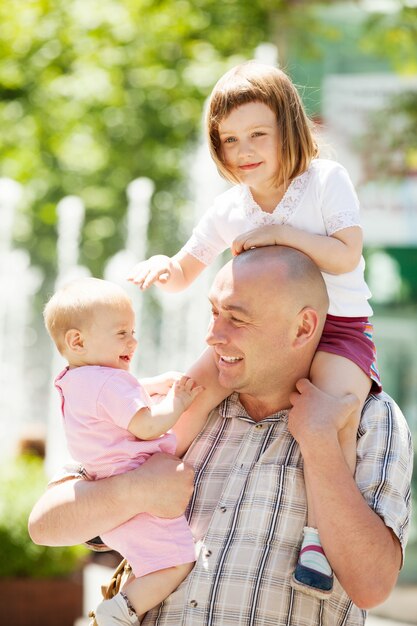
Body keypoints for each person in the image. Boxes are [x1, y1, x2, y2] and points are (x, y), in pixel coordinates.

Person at [30, 247, 412, 626]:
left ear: (303, 328)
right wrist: (137, 489)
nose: (213, 335)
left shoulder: (370, 419)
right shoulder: (175, 405)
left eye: (237, 319)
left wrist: (320, 440)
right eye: (214, 312)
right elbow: (44, 526)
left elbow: (372, 587)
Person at [126, 60, 381, 597]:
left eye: (258, 135)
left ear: (289, 127)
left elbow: (345, 253)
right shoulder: (229, 208)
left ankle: (317, 537)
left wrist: (283, 233)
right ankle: (143, 486)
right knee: (193, 390)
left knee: (331, 416)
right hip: (260, 341)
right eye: (229, 139)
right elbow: (187, 268)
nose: (243, 151)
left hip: (336, 330)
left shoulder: (323, 182)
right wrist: (163, 268)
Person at [43, 277, 207, 626]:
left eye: (133, 331)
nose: (134, 341)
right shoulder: (108, 382)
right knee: (177, 561)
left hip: (109, 485)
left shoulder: (75, 380)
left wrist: (151, 384)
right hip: (137, 482)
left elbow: (114, 399)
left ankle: (123, 606)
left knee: (151, 563)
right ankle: (120, 611)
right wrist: (177, 402)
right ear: (78, 340)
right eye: (122, 333)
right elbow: (147, 425)